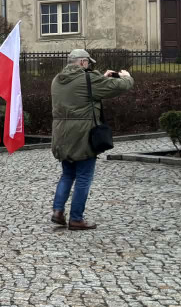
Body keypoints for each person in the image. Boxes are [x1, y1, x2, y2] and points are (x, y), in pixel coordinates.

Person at [50, 49, 134, 230]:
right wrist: (126, 77)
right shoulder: (87, 79)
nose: (89, 66)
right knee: (83, 176)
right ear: (81, 63)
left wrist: (99, 77)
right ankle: (76, 219)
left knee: (67, 173)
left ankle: (58, 211)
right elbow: (118, 87)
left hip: (61, 134)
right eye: (88, 63)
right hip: (82, 135)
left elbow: (81, 90)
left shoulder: (57, 80)